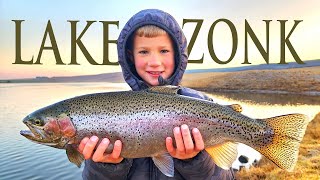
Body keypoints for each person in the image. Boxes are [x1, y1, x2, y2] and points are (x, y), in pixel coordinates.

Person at [79, 9, 235, 180]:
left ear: (178, 55)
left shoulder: (201, 102)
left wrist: (195, 160)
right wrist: (105, 166)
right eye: (144, 52)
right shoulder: (110, 112)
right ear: (130, 57)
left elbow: (226, 177)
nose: (154, 62)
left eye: (164, 51)